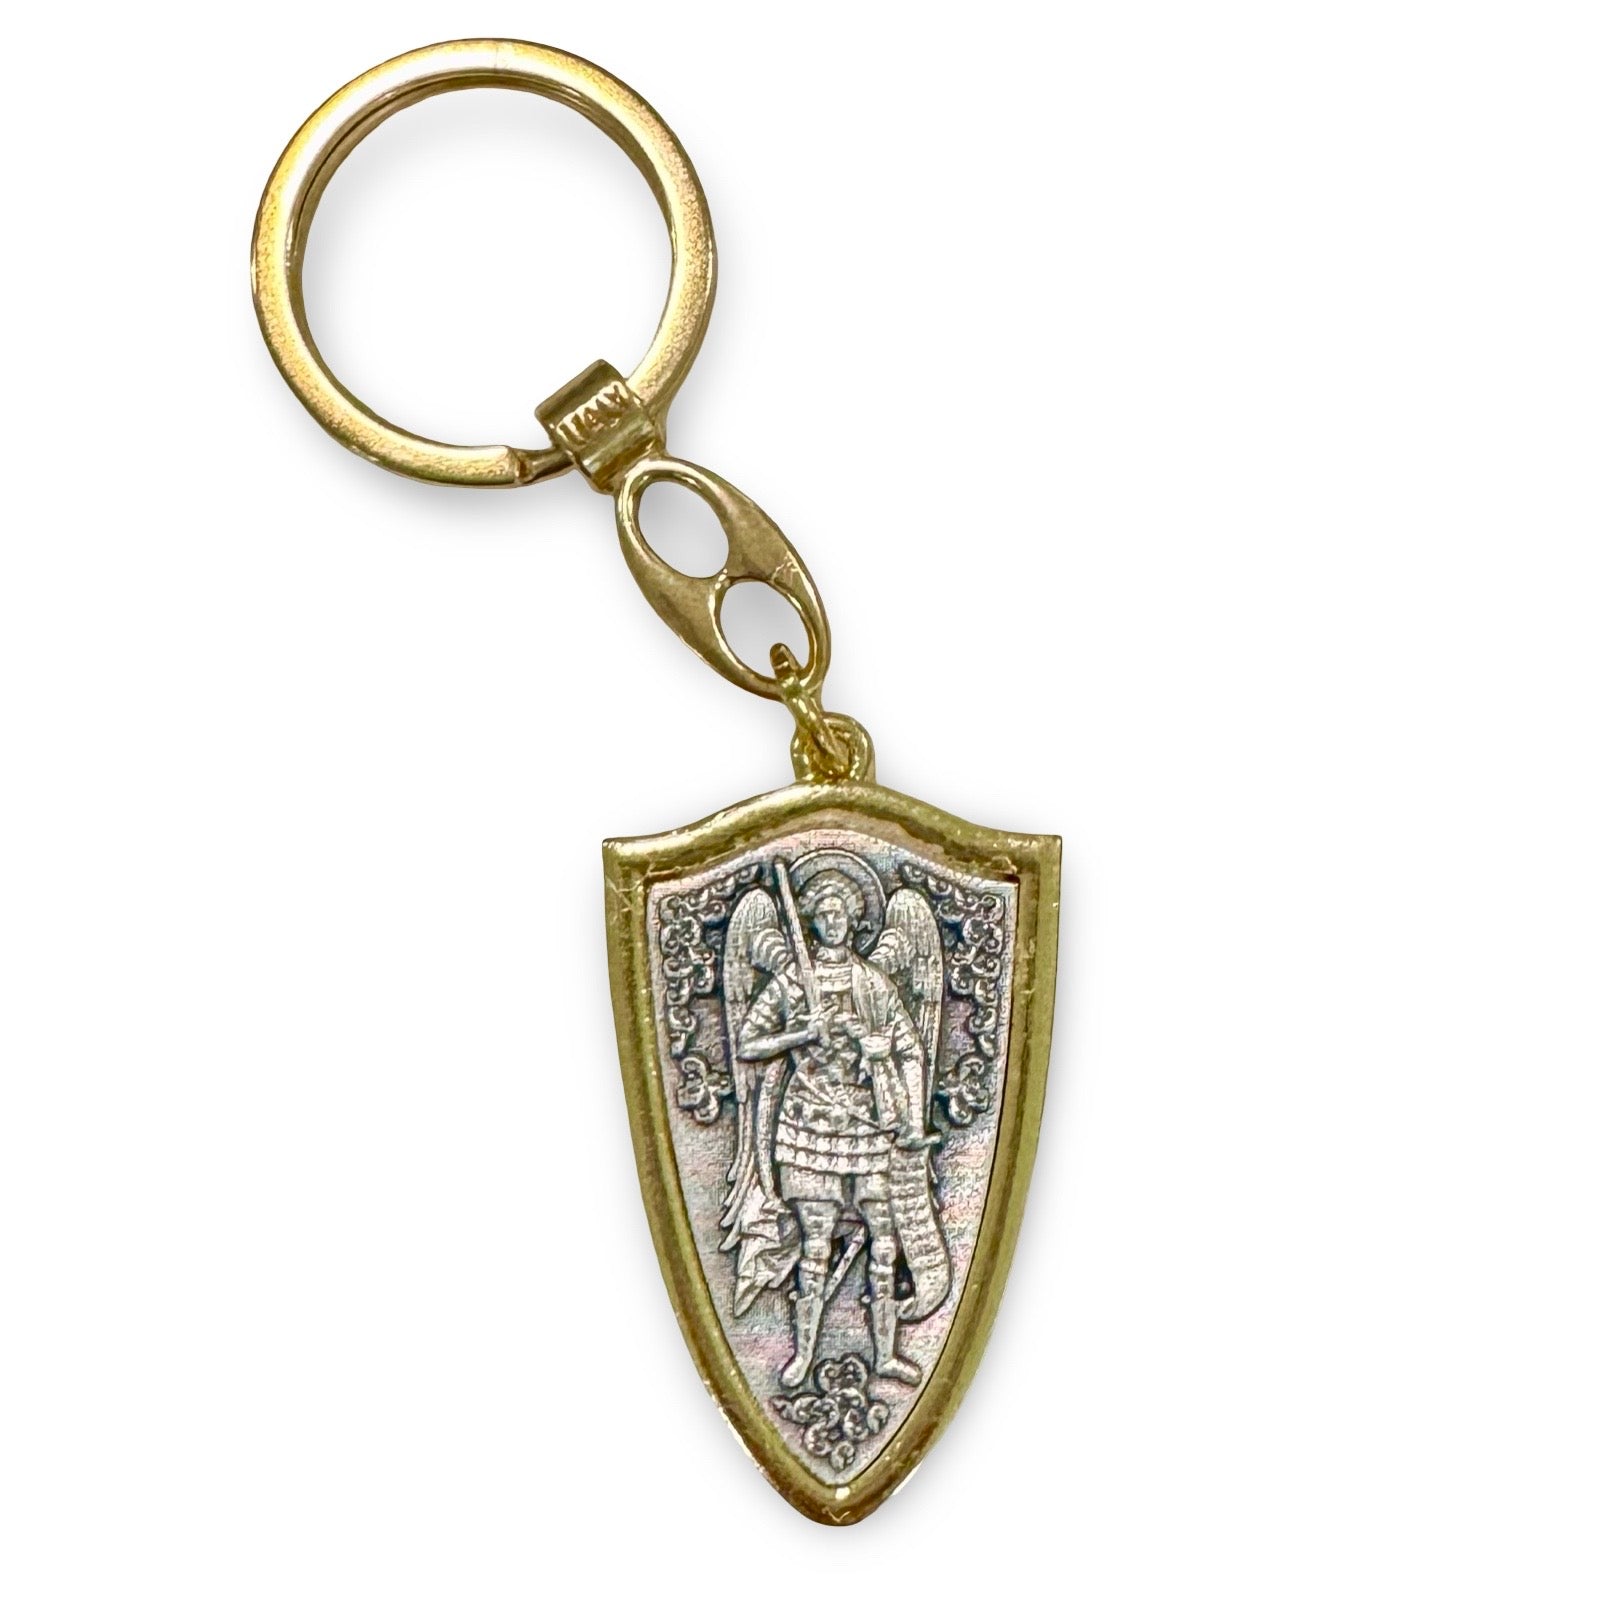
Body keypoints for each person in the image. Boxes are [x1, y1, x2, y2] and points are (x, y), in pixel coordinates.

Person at [736, 869, 931, 1386]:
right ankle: (802, 1355)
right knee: (816, 1243)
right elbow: (748, 1043)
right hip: (809, 1124)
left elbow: (910, 1047)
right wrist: (800, 1032)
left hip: (869, 1126)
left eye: (840, 912)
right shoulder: (791, 984)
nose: (833, 921)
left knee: (885, 1239)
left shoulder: (873, 983)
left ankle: (885, 1354)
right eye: (822, 913)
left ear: (854, 919)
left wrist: (909, 1111)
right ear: (814, 923)